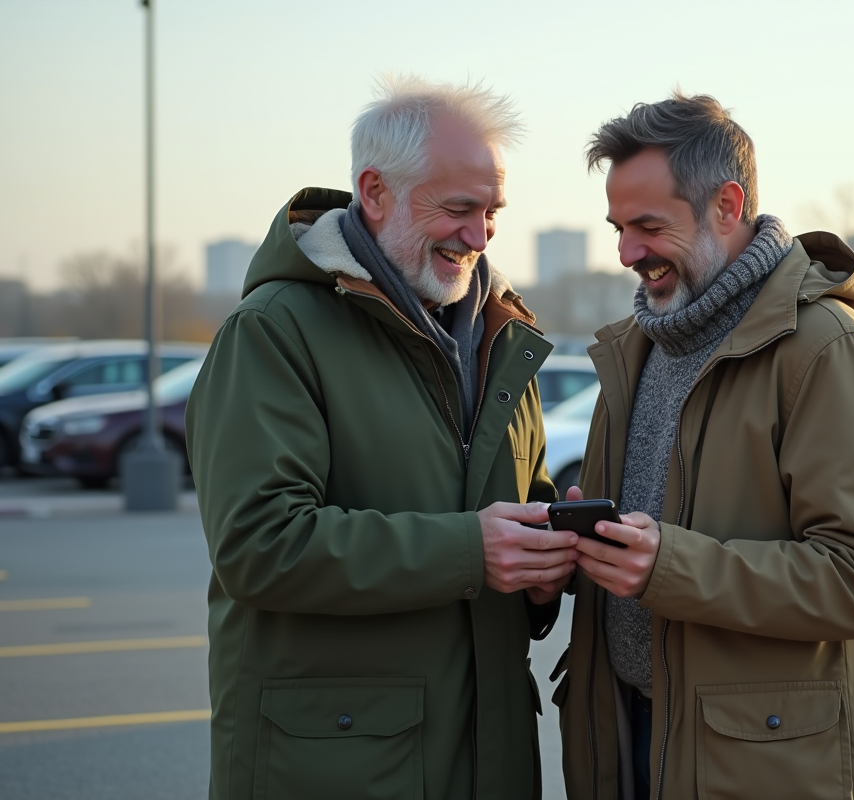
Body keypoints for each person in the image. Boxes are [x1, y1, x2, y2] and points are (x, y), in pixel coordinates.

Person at [186, 76, 577, 800]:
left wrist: (546, 559)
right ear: (374, 192)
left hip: (487, 760)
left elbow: (516, 508)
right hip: (335, 769)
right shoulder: (273, 332)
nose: (479, 235)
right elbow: (258, 544)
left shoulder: (503, 334)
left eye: (492, 211)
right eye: (458, 209)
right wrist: (473, 549)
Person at [552, 93, 854, 800]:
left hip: (758, 767)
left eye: (649, 226)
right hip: (631, 739)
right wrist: (571, 556)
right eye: (618, 228)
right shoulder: (635, 350)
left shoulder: (827, 352)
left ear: (726, 204)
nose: (626, 253)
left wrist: (670, 564)